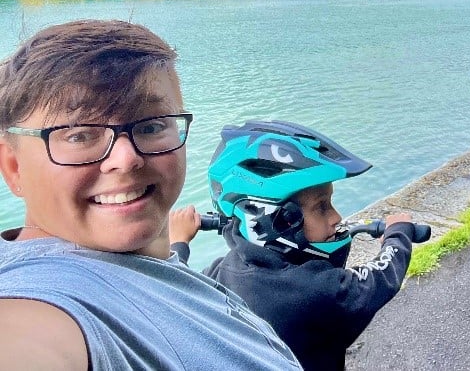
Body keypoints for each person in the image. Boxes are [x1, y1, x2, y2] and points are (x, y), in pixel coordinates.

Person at [0, 20, 301, 371]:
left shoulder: (156, 271)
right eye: (80, 135)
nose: (126, 159)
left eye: (152, 126)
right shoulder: (45, 299)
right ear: (13, 167)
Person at [169, 120, 418, 371]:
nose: (336, 217)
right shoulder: (315, 291)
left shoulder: (221, 273)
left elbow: (178, 288)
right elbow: (382, 277)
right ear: (272, 219)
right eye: (322, 207)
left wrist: (179, 242)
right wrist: (399, 233)